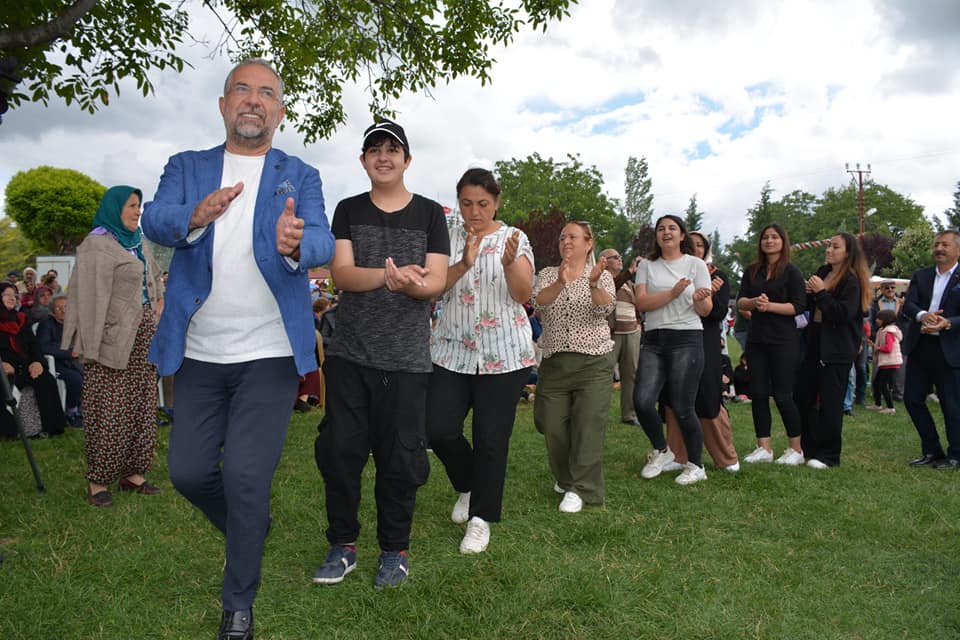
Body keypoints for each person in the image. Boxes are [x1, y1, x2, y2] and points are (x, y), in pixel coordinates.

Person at [141, 58, 334, 640]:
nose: (254, 100)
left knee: (248, 476)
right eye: (242, 91)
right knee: (189, 472)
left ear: (279, 110)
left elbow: (323, 237)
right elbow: (155, 218)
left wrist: (297, 242)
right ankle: (250, 527)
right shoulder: (187, 166)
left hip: (270, 353)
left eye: (267, 93)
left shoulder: (298, 173)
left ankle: (238, 604)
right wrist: (194, 217)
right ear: (224, 105)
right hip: (200, 351)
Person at [312, 119, 448, 589]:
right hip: (350, 355)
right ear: (363, 160)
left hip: (407, 361)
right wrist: (388, 277)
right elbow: (342, 276)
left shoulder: (430, 214)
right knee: (340, 454)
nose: (383, 157)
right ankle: (342, 545)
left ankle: (394, 551)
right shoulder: (348, 210)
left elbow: (436, 280)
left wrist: (415, 285)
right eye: (374, 150)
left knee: (401, 461)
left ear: (407, 159)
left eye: (393, 150)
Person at [426, 168, 535, 554]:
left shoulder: (514, 239)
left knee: (491, 437)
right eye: (467, 203)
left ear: (497, 202)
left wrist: (507, 264)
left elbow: (523, 293)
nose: (474, 212)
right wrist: (464, 263)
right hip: (452, 349)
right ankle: (469, 485)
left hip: (503, 353)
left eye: (483, 204)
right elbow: (434, 287)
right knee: (437, 428)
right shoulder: (447, 233)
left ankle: (481, 518)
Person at [63, 186, 165, 503]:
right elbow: (87, 298)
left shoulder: (139, 244)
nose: (138, 211)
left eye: (139, 206)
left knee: (142, 408)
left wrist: (158, 311)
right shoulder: (97, 245)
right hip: (111, 342)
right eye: (132, 206)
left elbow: (155, 281)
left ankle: (133, 474)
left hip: (144, 341)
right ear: (115, 208)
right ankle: (99, 481)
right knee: (109, 410)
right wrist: (85, 342)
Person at [532, 221, 615, 511]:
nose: (566, 240)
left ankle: (581, 488)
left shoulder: (601, 275)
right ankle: (566, 478)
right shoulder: (547, 274)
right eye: (562, 236)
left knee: (587, 425)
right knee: (550, 423)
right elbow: (539, 303)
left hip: (594, 362)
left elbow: (605, 307)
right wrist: (560, 282)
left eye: (573, 236)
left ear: (588, 243)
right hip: (555, 362)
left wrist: (592, 283)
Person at [633, 216, 713, 485]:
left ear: (682, 236)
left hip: (687, 337)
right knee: (643, 401)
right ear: (656, 236)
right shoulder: (646, 265)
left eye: (672, 228)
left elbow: (705, 309)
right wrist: (675, 291)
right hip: (654, 339)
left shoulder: (696, 264)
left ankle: (696, 465)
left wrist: (700, 300)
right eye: (661, 229)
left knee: (682, 406)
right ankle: (663, 451)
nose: (666, 232)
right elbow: (642, 303)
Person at [663, 231, 740, 474]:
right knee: (673, 396)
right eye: (690, 245)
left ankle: (726, 457)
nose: (694, 248)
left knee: (708, 396)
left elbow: (717, 314)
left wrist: (708, 292)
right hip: (674, 338)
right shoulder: (671, 273)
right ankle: (676, 455)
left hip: (703, 340)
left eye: (699, 245)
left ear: (705, 250)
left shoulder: (718, 276)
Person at [794, 233, 870, 469]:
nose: (829, 250)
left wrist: (821, 293)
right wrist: (808, 293)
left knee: (830, 402)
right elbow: (808, 306)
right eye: (828, 245)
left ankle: (829, 455)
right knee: (803, 397)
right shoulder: (823, 271)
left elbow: (842, 314)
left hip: (837, 348)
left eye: (835, 246)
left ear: (848, 253)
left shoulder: (851, 280)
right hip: (813, 343)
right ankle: (810, 448)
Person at [737, 224, 806, 465]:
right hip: (757, 340)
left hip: (784, 340)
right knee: (757, 393)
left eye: (774, 237)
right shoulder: (752, 271)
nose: (769, 241)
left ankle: (796, 449)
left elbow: (798, 306)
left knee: (783, 395)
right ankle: (763, 448)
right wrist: (754, 302)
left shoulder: (792, 272)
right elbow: (740, 302)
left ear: (783, 241)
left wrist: (770, 307)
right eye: (765, 237)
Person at [900, 230, 960, 470]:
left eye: (945, 245)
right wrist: (923, 315)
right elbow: (909, 306)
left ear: (957, 249)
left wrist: (949, 323)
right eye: (936, 244)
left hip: (950, 349)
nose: (939, 249)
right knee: (912, 399)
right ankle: (932, 450)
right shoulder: (921, 275)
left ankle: (956, 455)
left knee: (952, 405)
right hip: (921, 347)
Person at [0, 282, 66, 438]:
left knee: (45, 380)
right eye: (7, 294)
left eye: (15, 295)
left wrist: (37, 362)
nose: (12, 298)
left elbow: (34, 345)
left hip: (25, 365)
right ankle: (11, 432)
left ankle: (49, 428)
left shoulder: (21, 319)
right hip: (5, 368)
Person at [598, 248, 642, 426]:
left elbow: (637, 304)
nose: (620, 259)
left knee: (630, 374)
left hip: (631, 333)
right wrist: (630, 272)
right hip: (611, 334)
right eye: (615, 257)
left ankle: (629, 414)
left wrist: (638, 323)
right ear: (604, 260)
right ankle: (597, 415)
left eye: (620, 257)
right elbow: (612, 288)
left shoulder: (629, 284)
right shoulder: (601, 280)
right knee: (603, 375)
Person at [37, 294, 83, 427]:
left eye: (66, 307)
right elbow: (44, 346)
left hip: (74, 361)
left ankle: (83, 408)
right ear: (53, 311)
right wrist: (69, 353)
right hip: (55, 363)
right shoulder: (46, 324)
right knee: (75, 379)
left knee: (92, 374)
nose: (64, 311)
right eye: (59, 308)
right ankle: (71, 412)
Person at [870, 280, 906, 400]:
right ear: (881, 289)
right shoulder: (875, 303)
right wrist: (874, 336)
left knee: (899, 367)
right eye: (887, 288)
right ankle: (877, 392)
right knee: (878, 365)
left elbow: (907, 318)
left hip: (898, 338)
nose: (890, 290)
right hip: (880, 336)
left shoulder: (902, 302)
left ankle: (898, 393)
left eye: (893, 287)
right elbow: (871, 320)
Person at [867, 309, 902, 414]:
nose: (876, 320)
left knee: (882, 384)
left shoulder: (888, 332)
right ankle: (878, 404)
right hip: (887, 363)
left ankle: (891, 408)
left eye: (879, 318)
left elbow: (888, 348)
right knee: (877, 382)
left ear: (885, 320)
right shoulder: (884, 330)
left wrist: (876, 347)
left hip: (889, 362)